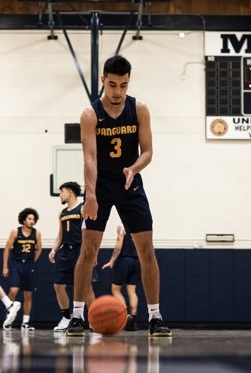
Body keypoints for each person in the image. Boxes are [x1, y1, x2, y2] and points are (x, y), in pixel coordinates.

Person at [66, 54, 171, 337]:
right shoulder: (90, 114)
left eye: (123, 85)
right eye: (112, 85)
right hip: (99, 185)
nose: (117, 92)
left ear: (128, 83)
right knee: (88, 251)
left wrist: (134, 168)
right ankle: (77, 316)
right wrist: (90, 195)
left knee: (146, 250)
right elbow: (89, 158)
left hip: (130, 183)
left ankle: (155, 316)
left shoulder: (140, 109)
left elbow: (147, 152)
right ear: (103, 80)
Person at [49, 182, 97, 332]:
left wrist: (93, 253)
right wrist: (53, 249)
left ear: (70, 192)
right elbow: (60, 235)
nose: (60, 195)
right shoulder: (62, 213)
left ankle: (94, 320)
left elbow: (92, 233)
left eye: (62, 192)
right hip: (65, 252)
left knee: (86, 287)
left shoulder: (83, 208)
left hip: (81, 251)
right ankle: (66, 317)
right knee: (58, 285)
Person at [2, 208, 42, 330]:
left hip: (29, 265)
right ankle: (9, 317)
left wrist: (33, 261)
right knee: (13, 290)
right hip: (16, 264)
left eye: (34, 219)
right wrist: (5, 266)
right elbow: (7, 248)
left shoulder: (37, 233)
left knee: (28, 295)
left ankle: (25, 322)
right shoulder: (15, 231)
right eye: (30, 219)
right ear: (24, 220)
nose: (32, 221)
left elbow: (39, 248)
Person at [102, 225, 141, 331]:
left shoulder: (122, 227)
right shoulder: (140, 227)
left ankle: (125, 318)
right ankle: (133, 320)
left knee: (115, 290)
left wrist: (111, 261)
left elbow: (119, 245)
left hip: (125, 260)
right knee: (132, 291)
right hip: (137, 261)